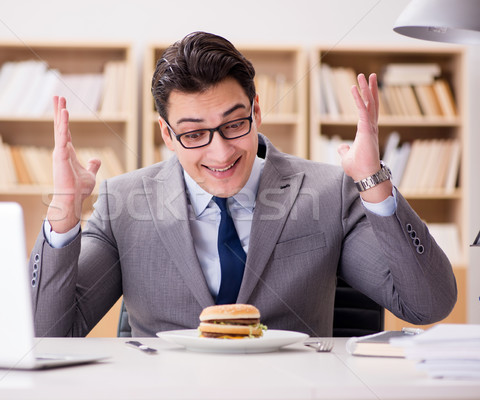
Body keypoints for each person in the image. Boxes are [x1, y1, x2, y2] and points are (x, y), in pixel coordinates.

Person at [30, 31, 456, 338]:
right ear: (166, 133)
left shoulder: (328, 192)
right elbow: (48, 332)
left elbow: (427, 305)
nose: (220, 154)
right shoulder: (124, 202)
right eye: (194, 134)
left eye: (234, 124)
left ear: (255, 110)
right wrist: (64, 208)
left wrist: (374, 183)